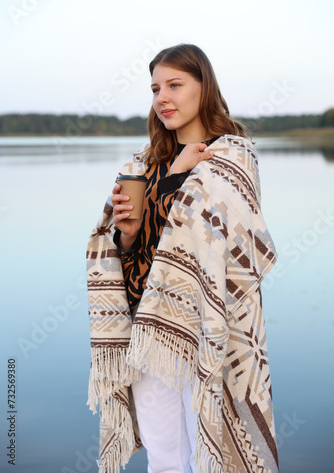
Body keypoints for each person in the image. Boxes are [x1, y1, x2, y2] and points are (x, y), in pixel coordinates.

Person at [87, 44, 279, 473]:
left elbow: (232, 250)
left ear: (203, 87)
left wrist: (177, 177)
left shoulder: (230, 157)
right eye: (155, 88)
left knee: (214, 454)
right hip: (149, 332)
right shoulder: (143, 163)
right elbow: (132, 259)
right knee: (164, 459)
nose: (163, 98)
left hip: (207, 329)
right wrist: (127, 235)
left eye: (175, 85)